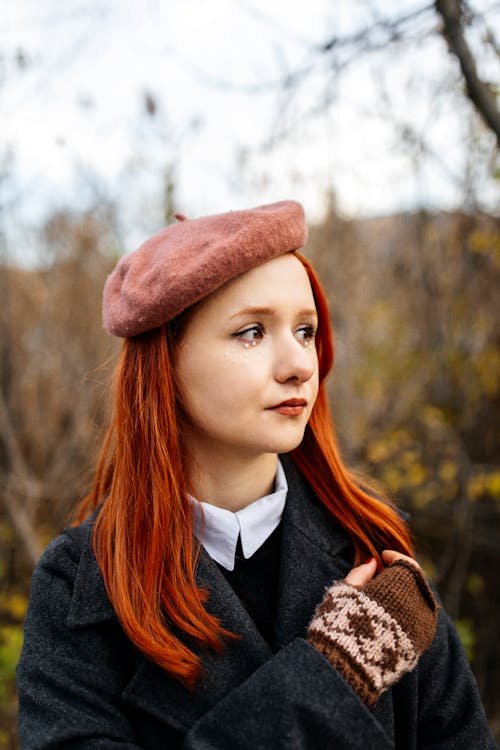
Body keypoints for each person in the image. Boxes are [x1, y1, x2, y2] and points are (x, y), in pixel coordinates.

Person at [17, 201, 497, 749]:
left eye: (305, 330)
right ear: (164, 364)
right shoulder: (83, 583)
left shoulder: (372, 550)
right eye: (251, 332)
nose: (299, 365)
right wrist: (332, 676)